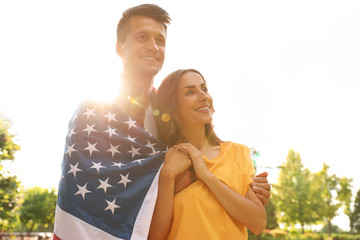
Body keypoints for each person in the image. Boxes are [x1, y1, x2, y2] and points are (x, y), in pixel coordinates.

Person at [53, 4, 270, 240]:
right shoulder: (95, 110)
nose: (153, 47)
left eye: (160, 39)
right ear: (119, 48)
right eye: (142, 37)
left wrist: (242, 186)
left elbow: (201, 159)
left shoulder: (166, 112)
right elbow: (89, 192)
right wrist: (168, 181)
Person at [149, 69, 266, 239]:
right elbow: (155, 237)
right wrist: (167, 175)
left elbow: (258, 223)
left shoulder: (238, 153)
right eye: (190, 92)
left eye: (204, 89)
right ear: (172, 108)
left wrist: (206, 175)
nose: (203, 96)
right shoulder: (164, 162)